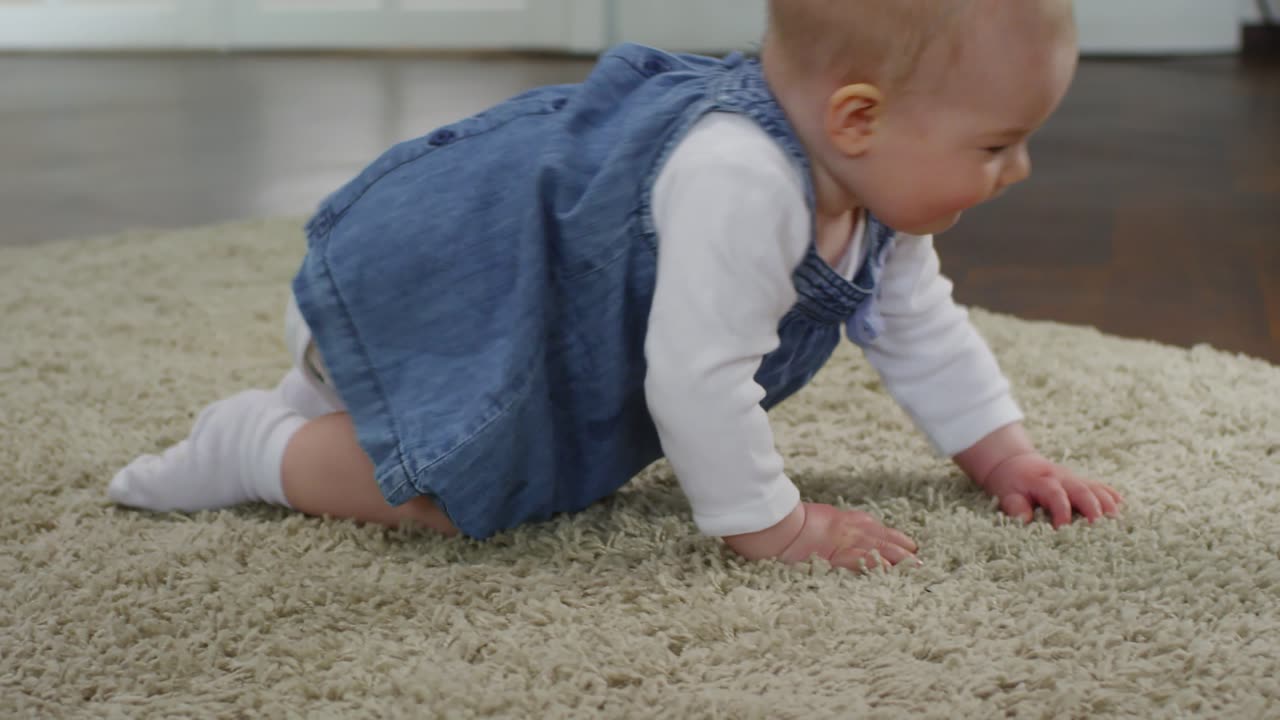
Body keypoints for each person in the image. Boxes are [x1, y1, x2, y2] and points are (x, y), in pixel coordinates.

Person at [109, 0, 1124, 572]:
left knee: (467, 450)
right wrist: (772, 525)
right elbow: (692, 381)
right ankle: (257, 447)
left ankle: (324, 414)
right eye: (997, 145)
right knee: (463, 495)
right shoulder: (741, 178)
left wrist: (1005, 456)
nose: (1016, 170)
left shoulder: (869, 201)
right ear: (856, 119)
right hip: (439, 303)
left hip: (519, 319)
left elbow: (918, 329)